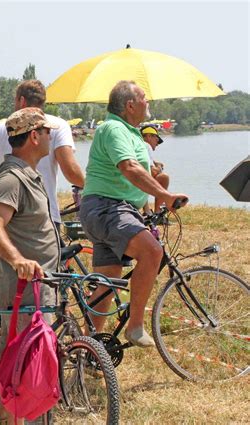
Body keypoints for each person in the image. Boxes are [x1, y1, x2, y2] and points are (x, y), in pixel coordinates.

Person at [79, 80, 188, 348]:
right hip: (109, 208)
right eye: (144, 98)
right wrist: (164, 197)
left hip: (110, 209)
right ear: (130, 105)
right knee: (152, 251)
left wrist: (157, 179)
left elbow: (138, 170)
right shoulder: (114, 128)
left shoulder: (131, 133)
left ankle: (88, 349)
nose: (148, 102)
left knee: (107, 284)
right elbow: (128, 168)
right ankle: (136, 325)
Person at [0, 107, 61, 425]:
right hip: (22, 286)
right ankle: (7, 420)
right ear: (33, 136)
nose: (50, 137)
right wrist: (18, 260)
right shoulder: (11, 178)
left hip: (41, 284)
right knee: (17, 358)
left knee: (35, 359)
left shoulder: (30, 173)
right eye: (46, 132)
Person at [0, 79, 84, 229]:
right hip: (46, 214)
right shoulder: (58, 125)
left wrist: (4, 173)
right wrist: (95, 188)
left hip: (8, 214)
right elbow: (70, 171)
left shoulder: (2, 128)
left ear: (21, 100)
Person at [140, 125, 170, 212]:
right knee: (163, 177)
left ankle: (147, 211)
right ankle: (158, 213)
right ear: (148, 136)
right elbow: (152, 172)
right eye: (156, 138)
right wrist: (159, 167)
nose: (157, 143)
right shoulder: (146, 145)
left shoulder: (137, 144)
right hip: (135, 180)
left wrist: (154, 162)